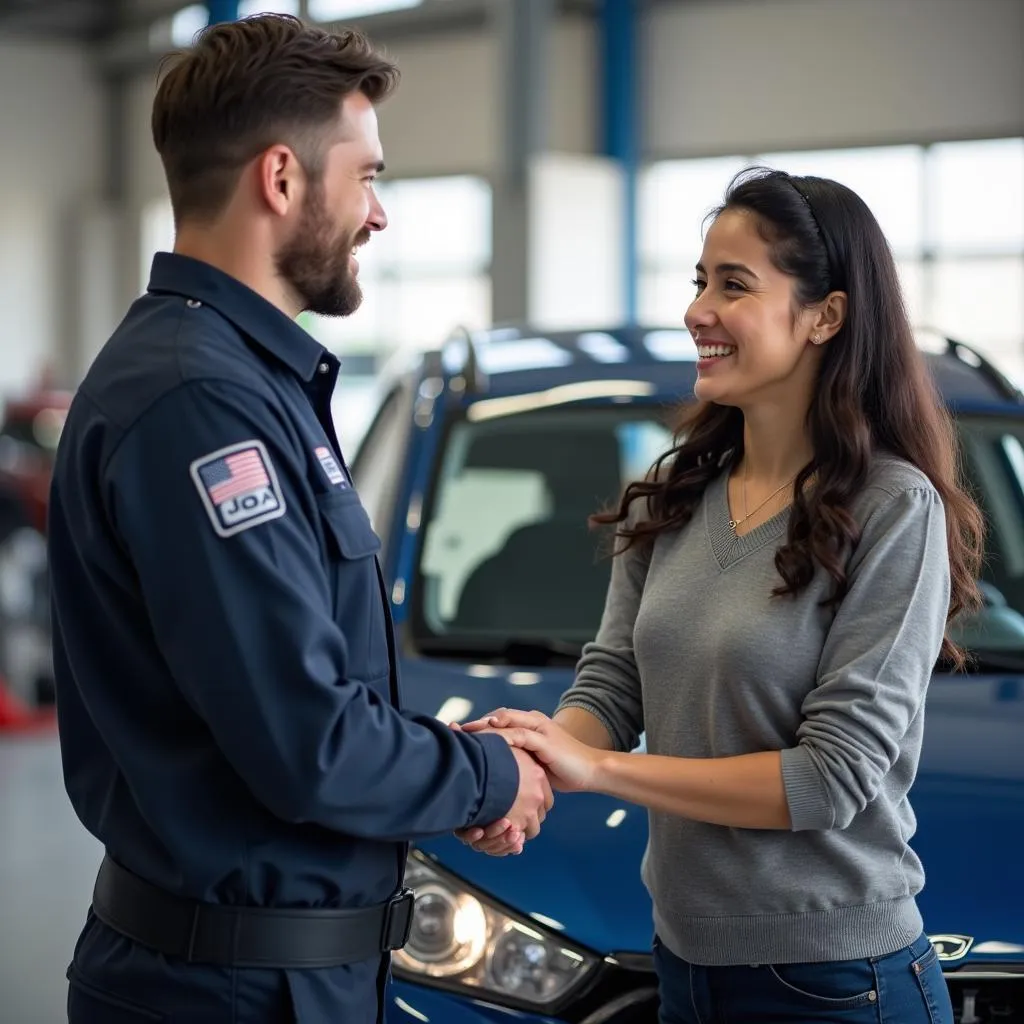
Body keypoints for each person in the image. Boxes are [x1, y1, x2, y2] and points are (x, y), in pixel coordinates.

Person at [48, 14, 551, 1024]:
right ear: (282, 179)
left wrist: (450, 772)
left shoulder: (236, 379)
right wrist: (487, 776)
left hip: (271, 974)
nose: (379, 214)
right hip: (227, 991)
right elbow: (305, 738)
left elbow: (302, 683)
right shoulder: (199, 405)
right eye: (366, 176)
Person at [457, 166, 984, 1023]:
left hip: (836, 984)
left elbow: (831, 779)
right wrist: (531, 760)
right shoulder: (680, 489)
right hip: (686, 967)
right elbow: (613, 685)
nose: (698, 309)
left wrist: (597, 770)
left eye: (733, 285)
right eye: (700, 280)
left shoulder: (894, 510)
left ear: (826, 315)